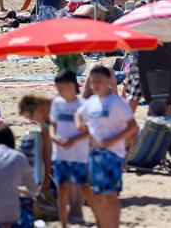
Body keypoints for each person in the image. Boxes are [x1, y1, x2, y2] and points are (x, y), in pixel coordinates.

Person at [75, 65, 138, 228]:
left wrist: (112, 141)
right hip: (94, 154)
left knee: (111, 196)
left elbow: (133, 127)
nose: (95, 84)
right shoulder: (91, 102)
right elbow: (78, 115)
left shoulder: (117, 102)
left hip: (112, 154)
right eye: (93, 81)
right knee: (98, 195)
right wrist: (83, 129)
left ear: (109, 82)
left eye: (99, 81)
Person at [50, 70, 93, 228]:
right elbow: (53, 126)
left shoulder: (83, 105)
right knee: (63, 185)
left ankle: (77, 212)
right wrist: (54, 137)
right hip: (60, 151)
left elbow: (89, 130)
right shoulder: (57, 102)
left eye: (61, 87)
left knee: (78, 184)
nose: (59, 91)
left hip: (79, 152)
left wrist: (72, 140)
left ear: (71, 85)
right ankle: (64, 220)